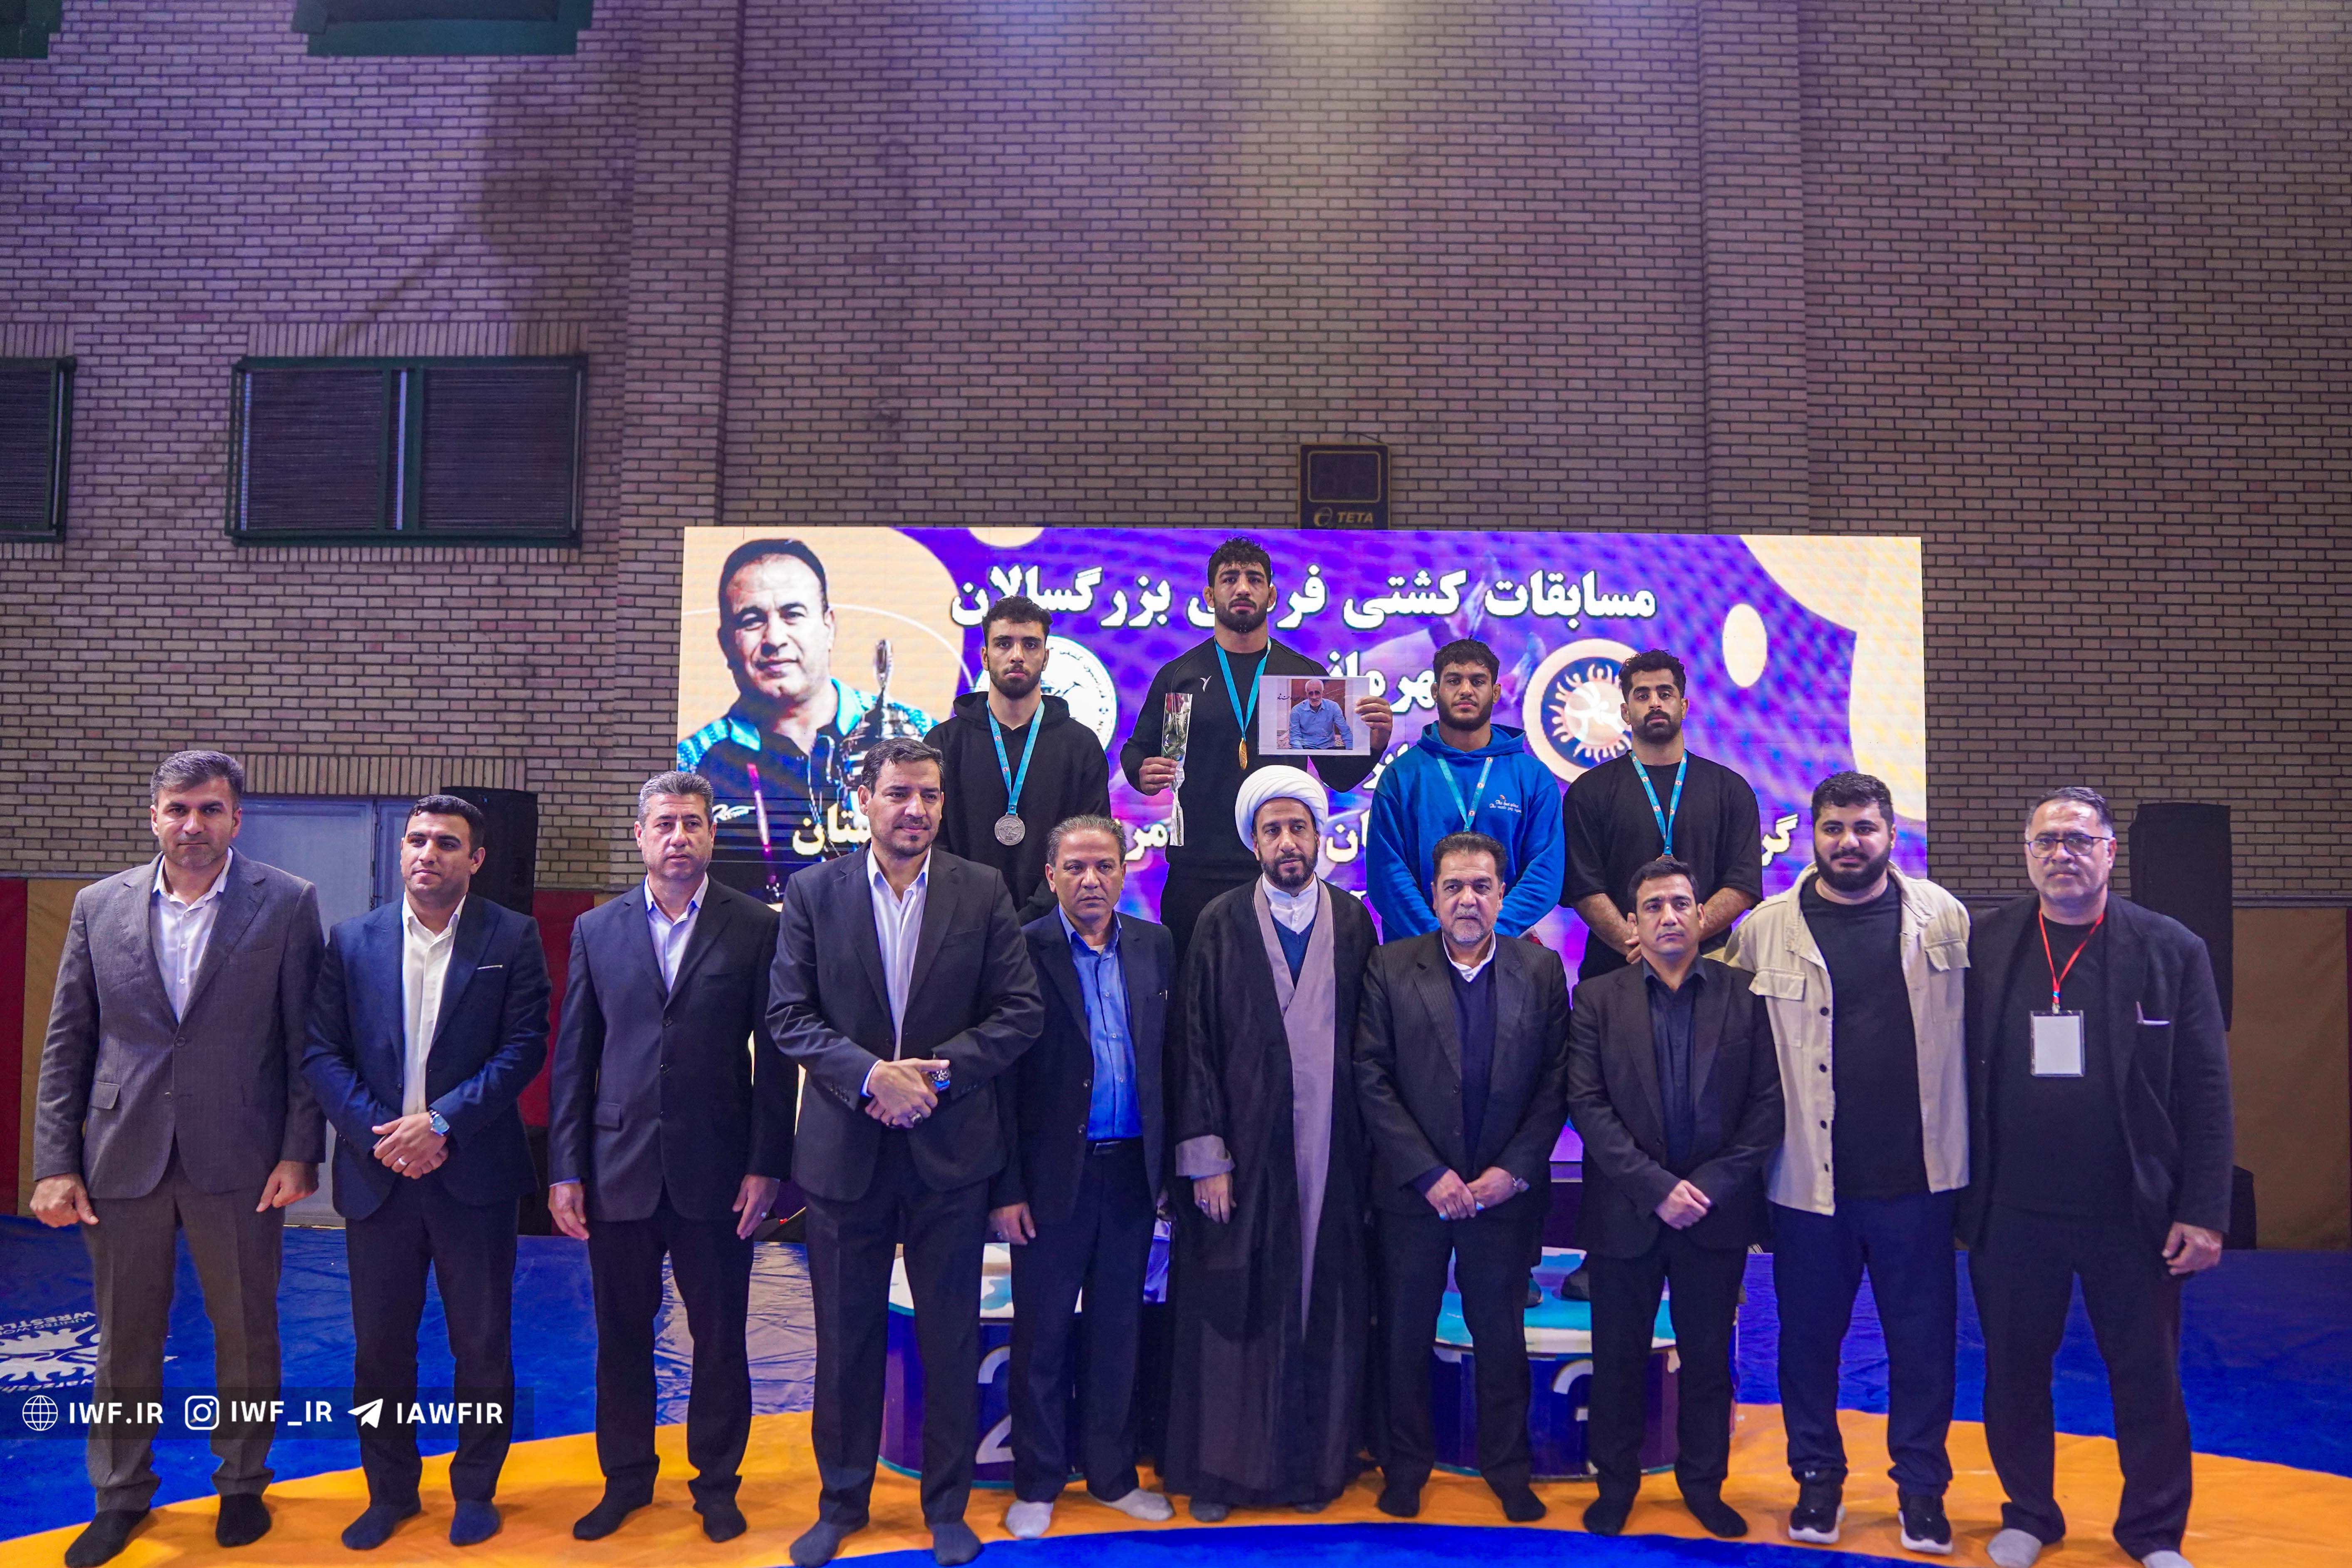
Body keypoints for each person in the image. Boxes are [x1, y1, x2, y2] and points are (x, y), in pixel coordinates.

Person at [32, 752, 325, 1568]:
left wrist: (300, 1150)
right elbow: (68, 1042)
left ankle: (242, 1481)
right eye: (178, 809)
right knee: (123, 1337)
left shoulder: (288, 902)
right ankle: (120, 1493)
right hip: (121, 1153)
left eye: (210, 809)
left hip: (241, 1154)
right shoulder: (98, 905)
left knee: (247, 1329)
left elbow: (307, 1042)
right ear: (154, 815)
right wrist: (55, 1160)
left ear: (236, 818)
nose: (193, 825)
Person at [766, 738, 1044, 1568]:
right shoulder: (812, 892)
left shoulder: (981, 889)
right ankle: (840, 1501)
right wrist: (870, 1077)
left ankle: (946, 1505)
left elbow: (1019, 1011)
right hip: (843, 1153)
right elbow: (788, 1015)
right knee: (844, 1339)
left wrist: (933, 1077)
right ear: (865, 800)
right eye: (897, 793)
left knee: (949, 1338)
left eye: (927, 794)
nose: (914, 809)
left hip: (949, 1151)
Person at [1960, 787, 2231, 1568]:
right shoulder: (1989, 941)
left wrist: (2203, 1210)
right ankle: (2028, 1513)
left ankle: (2152, 1530)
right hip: (2013, 1207)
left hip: (2131, 1210)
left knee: (2146, 1378)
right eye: (2046, 840)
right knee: (2013, 1373)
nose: (2061, 853)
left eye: (2079, 840)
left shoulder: (2170, 947)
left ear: (2110, 852)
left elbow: (2206, 1088)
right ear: (2026, 854)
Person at [1722, 772, 1972, 1555]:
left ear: (1890, 834)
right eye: (1833, 828)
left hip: (1918, 1183)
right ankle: (1816, 1481)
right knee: (1806, 1345)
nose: (1848, 842)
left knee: (1923, 1348)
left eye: (1864, 827)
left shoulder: (1944, 916)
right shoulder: (1765, 929)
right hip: (1806, 1185)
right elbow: (1732, 1055)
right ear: (1813, 834)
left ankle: (1922, 1490)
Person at [546, 772, 797, 1543]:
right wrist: (564, 1168)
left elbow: (775, 1057)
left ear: (712, 834)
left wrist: (767, 1163)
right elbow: (574, 1057)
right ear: (641, 835)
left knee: (720, 1337)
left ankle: (716, 1484)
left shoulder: (753, 925)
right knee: (621, 1336)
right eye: (664, 823)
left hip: (718, 1170)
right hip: (617, 1166)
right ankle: (625, 1480)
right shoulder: (597, 928)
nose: (678, 836)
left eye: (692, 822)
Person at [301, 795, 552, 1552]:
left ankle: (476, 1489)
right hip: (379, 1175)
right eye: (417, 839)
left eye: (447, 842)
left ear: (475, 858)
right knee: (379, 1347)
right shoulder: (353, 940)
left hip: (473, 1174)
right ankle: (389, 1490)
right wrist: (383, 1136)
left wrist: (440, 1122)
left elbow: (524, 1046)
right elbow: (322, 1051)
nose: (427, 853)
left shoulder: (512, 935)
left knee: (482, 1342)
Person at [1161, 766, 1378, 1519]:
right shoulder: (1219, 920)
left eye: (1298, 828)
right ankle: (1223, 1473)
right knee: (1234, 1303)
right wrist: (1205, 1155)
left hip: (1329, 1150)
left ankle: (1311, 1469)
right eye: (1272, 829)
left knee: (1321, 1299)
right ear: (1252, 841)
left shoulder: (1353, 921)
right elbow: (1192, 1041)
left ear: (1320, 836)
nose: (1287, 842)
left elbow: (1370, 1043)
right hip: (1240, 1154)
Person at [1354, 832, 1570, 1523]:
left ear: (1502, 894)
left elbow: (1556, 1081)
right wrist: (1427, 1173)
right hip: (1414, 1196)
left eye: (1481, 886)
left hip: (1502, 1197)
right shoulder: (1389, 965)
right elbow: (1371, 1077)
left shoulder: (1540, 970)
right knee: (1404, 1337)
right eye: (1454, 886)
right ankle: (1404, 1468)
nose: (1468, 899)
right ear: (1433, 895)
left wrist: (1514, 1171)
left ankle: (1508, 1470)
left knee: (1501, 1339)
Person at [1566, 855, 1783, 1541]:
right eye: (1653, 905)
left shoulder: (1746, 994)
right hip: (1625, 1212)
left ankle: (1703, 1484)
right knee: (1617, 1358)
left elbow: (1766, 1107)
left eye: (1680, 903)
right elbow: (1586, 1104)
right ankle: (1616, 1484)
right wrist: (1657, 1188)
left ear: (1700, 915)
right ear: (1632, 922)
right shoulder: (1596, 998)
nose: (1668, 916)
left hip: (1713, 1215)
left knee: (1708, 1361)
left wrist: (1706, 1189)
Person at [988, 815, 1177, 1538]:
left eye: (1103, 866)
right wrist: (1006, 1186)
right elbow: (1002, 1081)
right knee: (1041, 1335)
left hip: (1131, 1172)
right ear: (1050, 875)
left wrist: (1168, 1167)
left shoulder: (1155, 946)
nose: (1090, 880)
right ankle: (1037, 1481)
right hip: (1047, 1180)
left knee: (1116, 1330)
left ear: (1124, 871)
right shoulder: (1020, 948)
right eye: (1075, 868)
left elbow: (1170, 1059)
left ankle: (1112, 1474)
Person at [1119, 537, 1393, 964]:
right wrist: (1141, 771)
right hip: (1196, 870)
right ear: (1210, 595)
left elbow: (1339, 776)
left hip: (1277, 870)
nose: (1242, 588)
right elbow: (1139, 749)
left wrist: (1375, 742)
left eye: (1254, 579)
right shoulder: (1180, 677)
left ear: (1272, 595)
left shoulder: (1301, 677)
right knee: (1192, 995)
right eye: (1230, 579)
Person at [680, 537, 933, 901]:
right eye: (751, 620)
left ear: (829, 627)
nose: (774, 638)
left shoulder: (917, 733)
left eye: (793, 614)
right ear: (725, 643)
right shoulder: (694, 762)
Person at [1563, 649, 1761, 984]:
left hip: (1708, 967)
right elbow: (1584, 886)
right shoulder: (1588, 791)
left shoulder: (1730, 789)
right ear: (1625, 712)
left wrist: (1682, 937)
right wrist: (1636, 943)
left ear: (1683, 706)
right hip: (1615, 967)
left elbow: (1742, 883)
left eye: (1665, 693)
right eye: (1642, 695)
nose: (1654, 703)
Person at [925, 595, 1112, 923]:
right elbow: (932, 840)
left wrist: (1037, 915)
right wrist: (973, 911)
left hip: (1053, 927)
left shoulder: (1080, 745)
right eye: (1003, 644)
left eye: (1030, 644)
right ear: (985, 657)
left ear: (1046, 657)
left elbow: (1089, 844)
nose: (1016, 655)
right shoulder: (943, 743)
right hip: (962, 922)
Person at [1366, 637, 1565, 940]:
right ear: (1435, 691)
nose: (1466, 690)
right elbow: (1387, 874)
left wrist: (1489, 936)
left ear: (1496, 692)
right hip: (1416, 950)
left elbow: (1544, 872)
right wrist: (1439, 940)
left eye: (1478, 681)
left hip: (1506, 948)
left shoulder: (1532, 777)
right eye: (1454, 681)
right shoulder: (1400, 775)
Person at [1284, 679, 1352, 751]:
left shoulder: (1333, 707)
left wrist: (1351, 749)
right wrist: (1301, 754)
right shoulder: (1297, 710)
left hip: (1328, 747)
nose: (1314, 697)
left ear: (1323, 693)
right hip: (1306, 747)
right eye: (1311, 693)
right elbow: (1295, 737)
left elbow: (1345, 731)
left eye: (1317, 693)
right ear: (1306, 694)